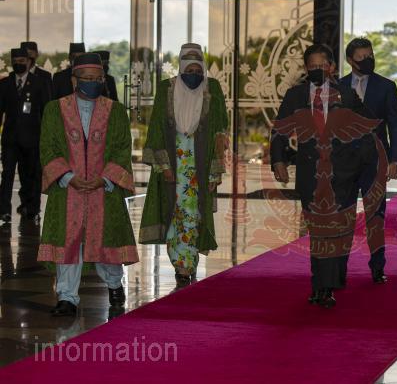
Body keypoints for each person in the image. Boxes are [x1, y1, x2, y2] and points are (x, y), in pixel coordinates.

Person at [271, 44, 385, 308]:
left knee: (338, 232)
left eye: (321, 66)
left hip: (343, 175)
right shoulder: (295, 95)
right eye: (311, 66)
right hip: (310, 175)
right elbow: (280, 129)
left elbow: (370, 129)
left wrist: (360, 162)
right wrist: (278, 160)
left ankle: (328, 284)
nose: (316, 70)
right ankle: (322, 286)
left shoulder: (347, 95)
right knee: (319, 232)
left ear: (332, 67)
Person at [37, 52, 138, 317]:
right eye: (87, 78)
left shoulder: (115, 111)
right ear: (74, 80)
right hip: (67, 189)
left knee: (105, 243)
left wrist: (104, 178)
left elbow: (122, 148)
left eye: (97, 78)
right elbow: (47, 147)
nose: (93, 83)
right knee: (69, 244)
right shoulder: (54, 110)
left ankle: (114, 284)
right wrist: (67, 176)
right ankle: (67, 297)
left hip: (103, 189)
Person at [139, 43, 228, 286]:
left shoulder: (212, 88)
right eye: (189, 69)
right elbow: (157, 127)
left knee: (195, 214)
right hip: (173, 163)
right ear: (180, 67)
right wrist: (164, 166)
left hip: (201, 164)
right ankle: (181, 265)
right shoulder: (166, 88)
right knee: (174, 213)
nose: (194, 74)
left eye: (198, 69)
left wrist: (215, 172)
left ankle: (189, 263)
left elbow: (220, 131)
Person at [339, 37, 397, 284]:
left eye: (370, 56)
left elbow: (396, 124)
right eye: (362, 57)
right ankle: (338, 270)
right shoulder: (337, 86)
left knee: (376, 217)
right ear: (350, 60)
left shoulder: (386, 86)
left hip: (375, 162)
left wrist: (395, 159)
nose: (368, 60)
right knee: (343, 217)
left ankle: (377, 268)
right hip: (344, 164)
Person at [0, 47, 51, 222]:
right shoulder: (5, 84)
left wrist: (46, 136)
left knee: (30, 174)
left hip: (32, 139)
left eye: (21, 61)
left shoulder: (39, 83)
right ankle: (4, 210)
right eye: (15, 62)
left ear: (28, 62)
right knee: (7, 175)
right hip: (10, 140)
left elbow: (46, 111)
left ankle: (32, 207)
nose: (18, 64)